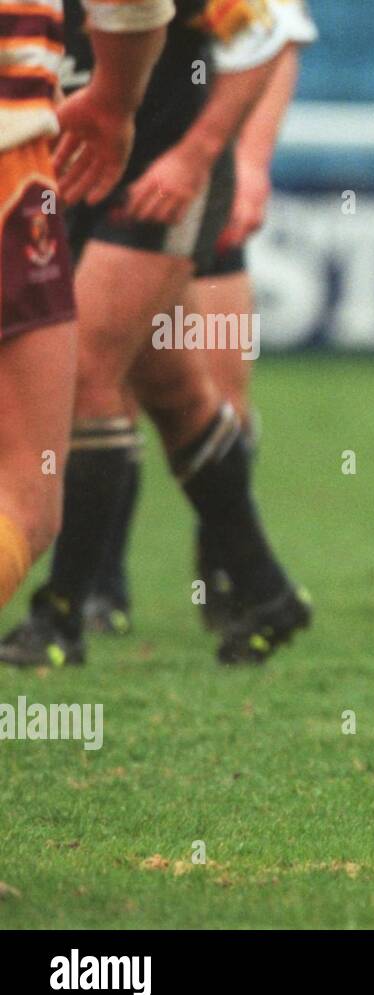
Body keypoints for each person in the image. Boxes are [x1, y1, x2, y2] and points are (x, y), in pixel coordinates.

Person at [0, 0, 308, 666]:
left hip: (159, 177)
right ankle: (266, 591)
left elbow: (270, 30)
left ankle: (63, 615)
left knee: (84, 372)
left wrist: (201, 158)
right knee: (175, 392)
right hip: (68, 169)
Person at [0, 0, 173, 613]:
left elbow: (268, 39)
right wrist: (114, 100)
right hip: (12, 162)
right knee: (25, 500)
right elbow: (135, 9)